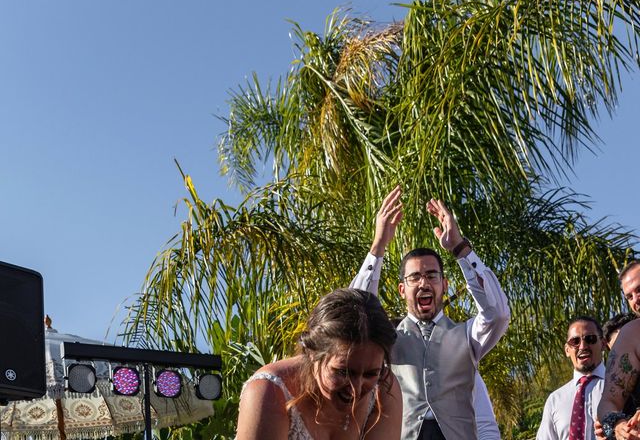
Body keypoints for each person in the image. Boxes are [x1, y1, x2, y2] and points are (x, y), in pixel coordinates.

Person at [350, 186, 510, 439]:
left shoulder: (468, 335)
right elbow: (354, 312)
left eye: (431, 275)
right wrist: (378, 246)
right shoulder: (387, 337)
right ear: (402, 289)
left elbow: (497, 313)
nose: (424, 283)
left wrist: (459, 248)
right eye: (414, 277)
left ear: (444, 285)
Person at [236, 288, 403, 440]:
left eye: (370, 374)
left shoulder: (384, 388)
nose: (356, 388)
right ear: (312, 354)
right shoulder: (269, 392)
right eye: (343, 372)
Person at [536, 316, 606, 440]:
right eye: (575, 341)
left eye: (590, 339)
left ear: (603, 344)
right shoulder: (555, 400)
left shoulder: (622, 387)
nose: (583, 346)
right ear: (567, 350)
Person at [596, 318, 640, 440]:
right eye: (629, 297)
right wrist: (618, 426)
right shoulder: (633, 333)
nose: (636, 299)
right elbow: (608, 402)